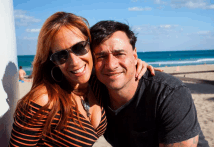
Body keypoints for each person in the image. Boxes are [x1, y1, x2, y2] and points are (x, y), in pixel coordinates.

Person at [9, 12, 156, 146]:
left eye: (79, 47)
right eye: (61, 55)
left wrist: (135, 63)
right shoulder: (43, 100)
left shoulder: (96, 83)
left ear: (90, 45)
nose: (74, 62)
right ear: (53, 61)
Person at [90, 21, 209, 147]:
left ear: (134, 55)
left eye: (120, 54)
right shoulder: (93, 91)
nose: (111, 65)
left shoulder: (169, 93)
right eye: (101, 56)